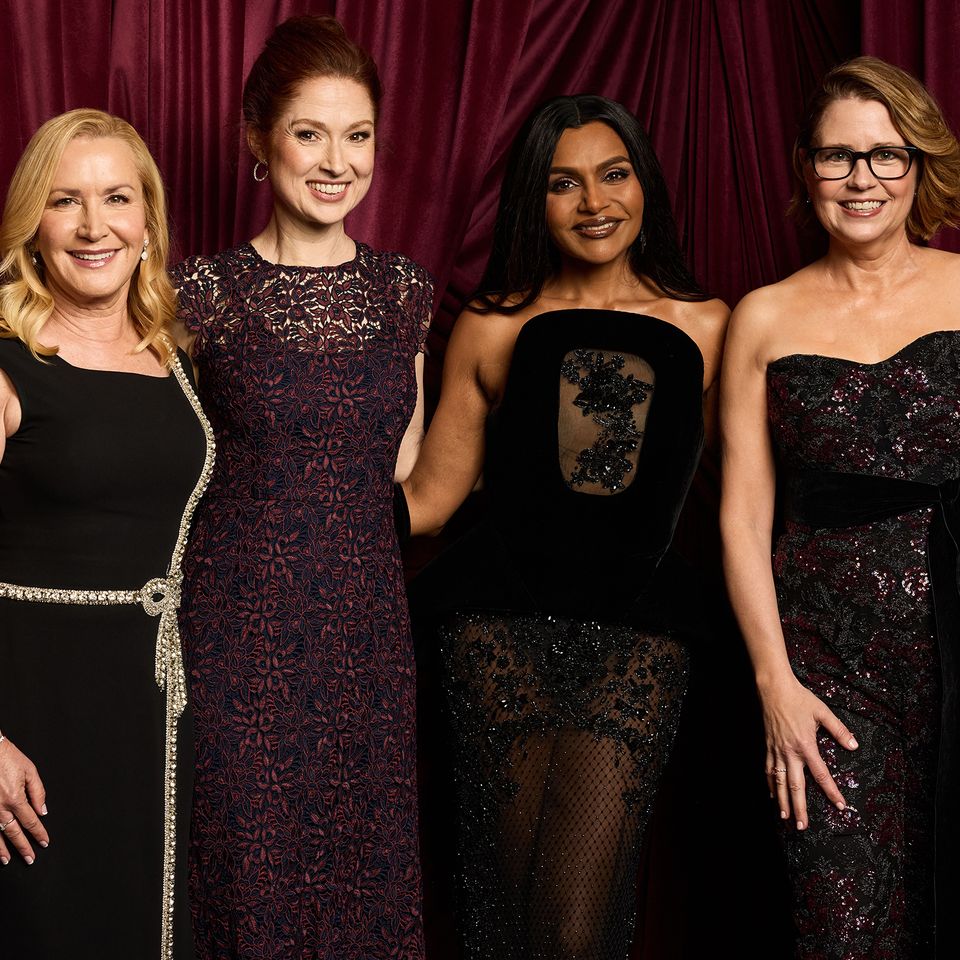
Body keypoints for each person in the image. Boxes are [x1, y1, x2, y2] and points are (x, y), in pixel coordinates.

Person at [401, 95, 727, 959]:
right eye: (564, 183)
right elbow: (430, 499)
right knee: (504, 916)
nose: (595, 202)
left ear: (644, 184)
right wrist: (296, 501)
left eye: (614, 175)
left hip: (637, 641)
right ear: (533, 202)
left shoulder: (709, 325)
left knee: (578, 926)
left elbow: (750, 501)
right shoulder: (493, 324)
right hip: (498, 636)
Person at [173, 15, 432, 960]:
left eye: (357, 135)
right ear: (258, 137)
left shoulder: (406, 292)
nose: (337, 161)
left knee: (361, 897)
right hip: (235, 637)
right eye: (310, 133)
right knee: (244, 889)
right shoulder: (198, 296)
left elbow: (400, 464)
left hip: (366, 639)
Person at [720, 56, 960, 958]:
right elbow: (743, 519)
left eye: (885, 156)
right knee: (843, 929)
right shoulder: (765, 317)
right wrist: (775, 685)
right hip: (826, 679)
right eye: (837, 157)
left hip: (955, 653)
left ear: (919, 165)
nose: (862, 179)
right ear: (805, 170)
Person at [0, 109, 212, 960]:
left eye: (117, 198)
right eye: (65, 201)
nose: (94, 227)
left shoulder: (176, 359)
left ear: (149, 219)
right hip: (27, 701)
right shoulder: (7, 359)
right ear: (32, 225)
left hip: (147, 709)